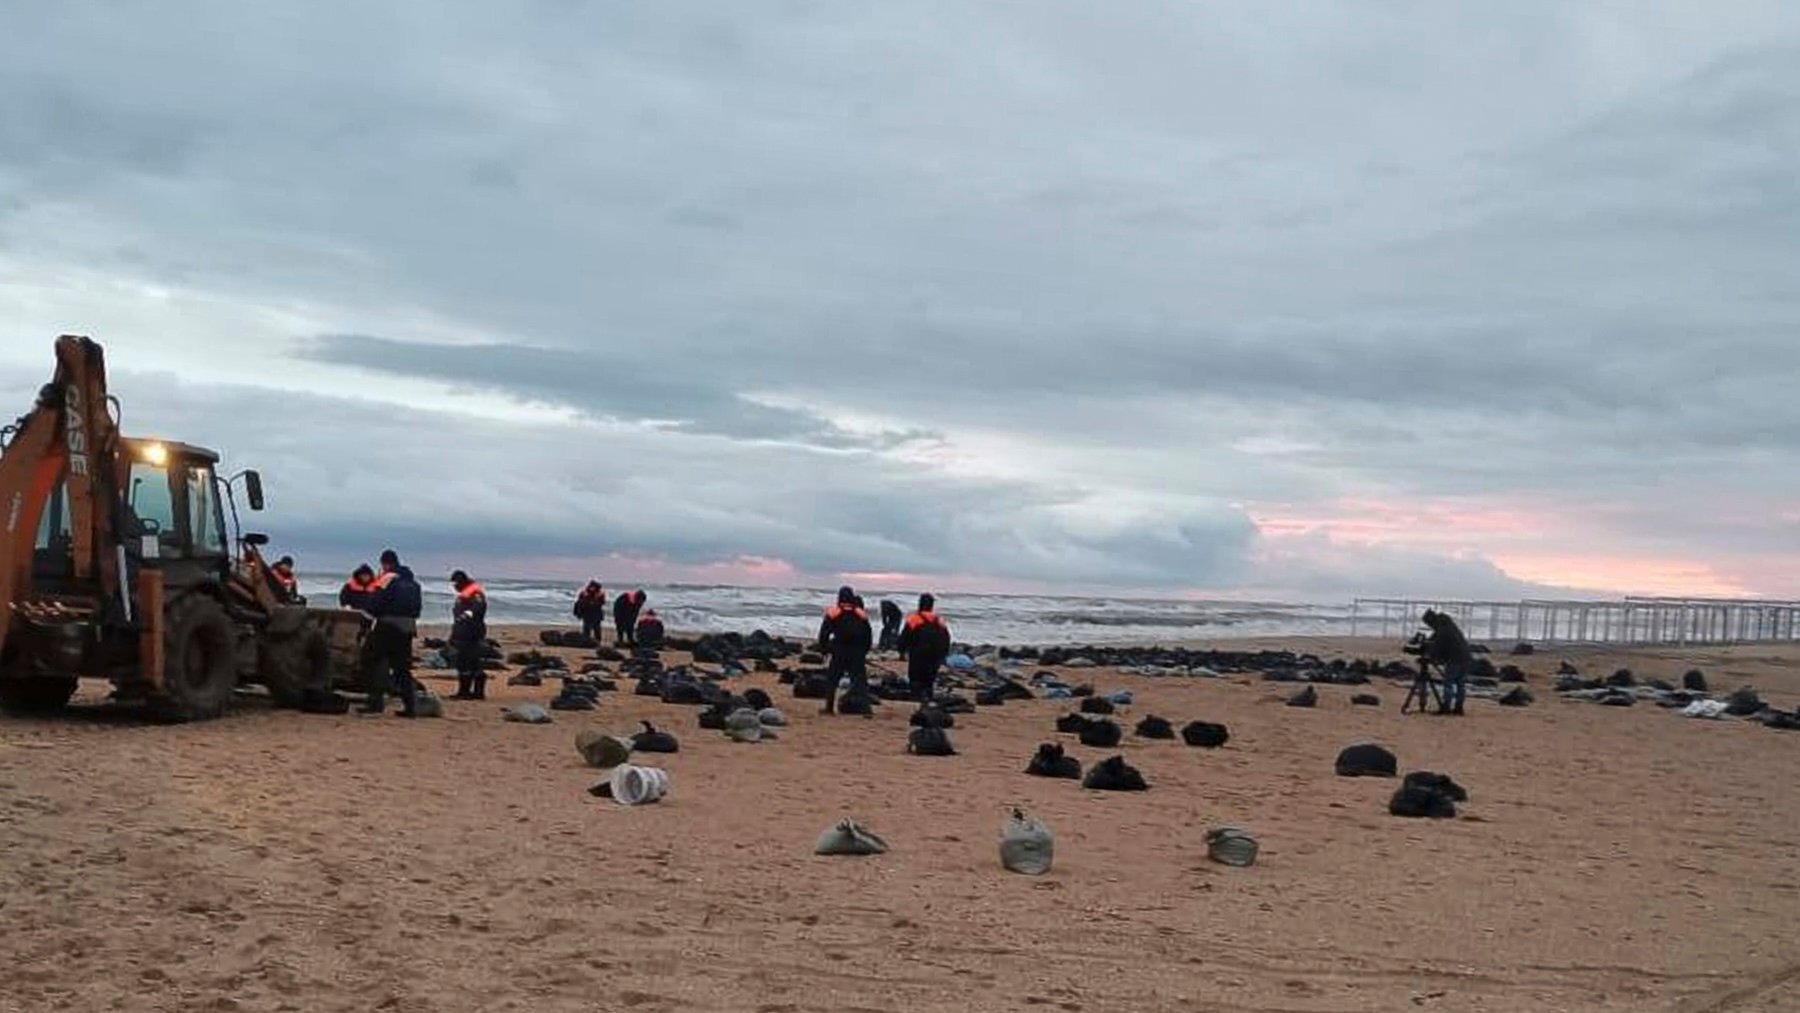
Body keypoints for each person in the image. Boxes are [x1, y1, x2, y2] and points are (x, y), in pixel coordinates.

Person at [359, 549, 422, 717]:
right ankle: (410, 706)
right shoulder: (413, 583)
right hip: (408, 627)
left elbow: (375, 604)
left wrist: (364, 625)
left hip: (388, 625)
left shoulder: (386, 579)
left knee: (369, 659)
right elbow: (417, 610)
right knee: (402, 668)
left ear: (385, 564)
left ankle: (375, 702)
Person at [816, 586, 873, 715]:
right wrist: (864, 651)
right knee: (859, 681)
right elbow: (868, 635)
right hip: (857, 651)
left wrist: (824, 650)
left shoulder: (833, 612)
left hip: (839, 650)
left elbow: (824, 634)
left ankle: (829, 708)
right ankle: (867, 709)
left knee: (832, 679)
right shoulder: (861, 613)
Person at [896, 593, 952, 703]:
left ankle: (916, 697)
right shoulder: (939, 620)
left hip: (919, 652)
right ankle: (928, 696)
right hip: (935, 654)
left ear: (920, 604)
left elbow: (905, 636)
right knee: (930, 677)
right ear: (932, 606)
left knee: (915, 676)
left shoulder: (914, 619)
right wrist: (944, 654)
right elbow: (946, 638)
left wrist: (901, 651)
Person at [1422, 608, 1473, 716]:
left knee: (1448, 683)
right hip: (1466, 657)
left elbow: (1438, 646)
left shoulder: (1442, 630)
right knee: (1460, 683)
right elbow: (1436, 640)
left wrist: (1431, 656)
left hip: (1455, 659)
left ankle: (1446, 707)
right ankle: (1459, 708)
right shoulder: (1449, 625)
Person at [450, 569, 489, 700]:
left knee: (467, 661)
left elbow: (478, 607)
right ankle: (468, 691)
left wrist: (465, 616)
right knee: (469, 661)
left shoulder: (474, 592)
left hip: (472, 631)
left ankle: (469, 691)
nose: (454, 586)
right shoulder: (465, 593)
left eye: (455, 583)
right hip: (463, 631)